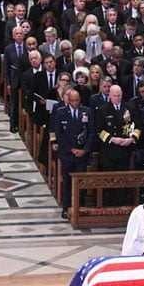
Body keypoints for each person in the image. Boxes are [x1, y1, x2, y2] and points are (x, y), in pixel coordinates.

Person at [52, 89, 94, 219]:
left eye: (77, 100)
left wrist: (84, 150)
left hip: (82, 154)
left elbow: (92, 132)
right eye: (72, 100)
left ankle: (79, 207)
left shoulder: (86, 111)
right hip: (67, 153)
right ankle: (66, 207)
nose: (75, 103)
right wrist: (71, 149)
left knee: (80, 181)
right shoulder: (60, 113)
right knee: (67, 181)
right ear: (68, 100)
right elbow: (59, 134)